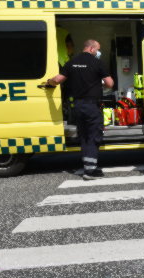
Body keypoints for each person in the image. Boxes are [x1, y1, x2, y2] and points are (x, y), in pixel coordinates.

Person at [47, 39, 114, 180]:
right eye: (97, 49)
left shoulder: (72, 62)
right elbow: (110, 83)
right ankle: (90, 171)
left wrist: (48, 82)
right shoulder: (97, 63)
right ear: (91, 48)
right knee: (94, 136)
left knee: (83, 136)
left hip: (78, 105)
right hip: (92, 105)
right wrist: (99, 84)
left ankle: (87, 165)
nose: (98, 52)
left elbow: (58, 80)